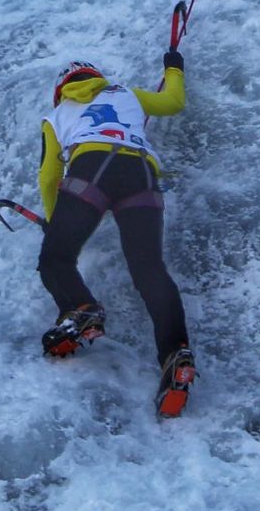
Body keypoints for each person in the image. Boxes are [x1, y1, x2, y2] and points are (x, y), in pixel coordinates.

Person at [36, 55, 196, 417]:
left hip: (92, 166)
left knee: (55, 259)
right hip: (141, 172)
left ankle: (80, 309)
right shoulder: (126, 94)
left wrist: (54, 221)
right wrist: (174, 68)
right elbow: (173, 102)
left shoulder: (57, 114)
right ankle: (176, 353)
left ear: (61, 90)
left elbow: (49, 176)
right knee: (149, 269)